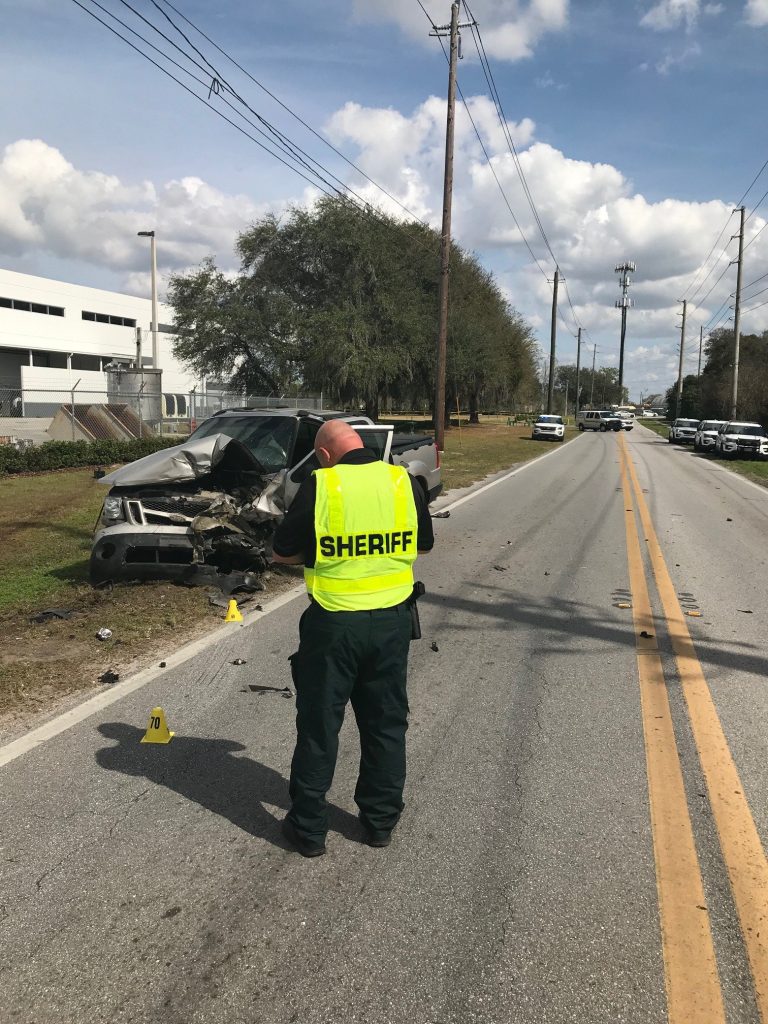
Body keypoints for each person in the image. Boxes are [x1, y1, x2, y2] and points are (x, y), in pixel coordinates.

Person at [271, 419, 434, 857]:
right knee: (385, 723)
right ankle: (380, 822)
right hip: (392, 623)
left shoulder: (321, 484)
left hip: (334, 625)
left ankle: (308, 830)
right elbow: (422, 544)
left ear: (324, 454)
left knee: (320, 726)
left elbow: (282, 551)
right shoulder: (402, 480)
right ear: (362, 444)